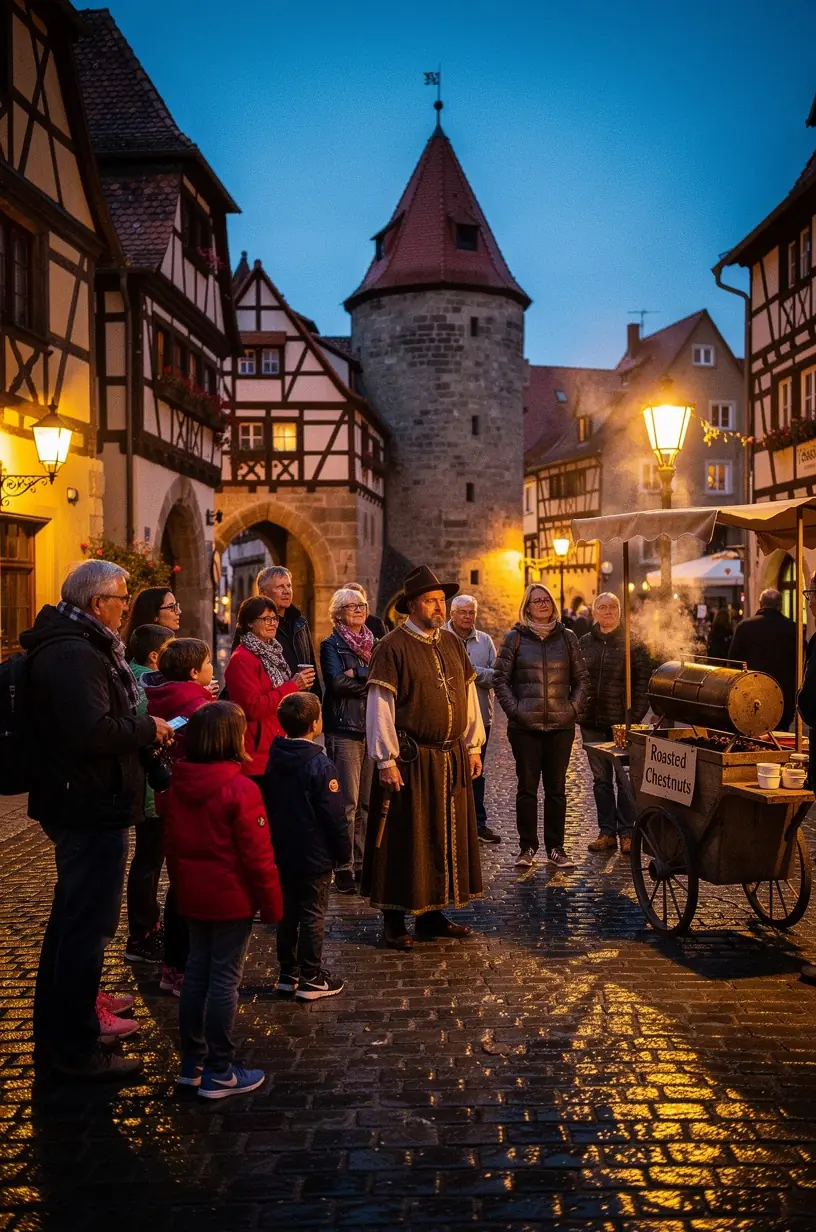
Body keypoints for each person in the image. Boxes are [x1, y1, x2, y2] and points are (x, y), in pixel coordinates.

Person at [22, 560, 174, 1081]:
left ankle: (65, 1030)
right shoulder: (73, 653)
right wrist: (146, 727)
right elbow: (91, 731)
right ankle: (74, 1048)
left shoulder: (81, 645)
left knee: (74, 924)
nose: (127, 608)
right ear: (96, 604)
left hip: (90, 802)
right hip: (87, 806)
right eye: (121, 599)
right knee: (84, 930)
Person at [361, 565, 485, 950]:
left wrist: (474, 745)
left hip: (450, 757)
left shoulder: (450, 643)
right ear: (412, 605)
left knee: (442, 836)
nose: (439, 607)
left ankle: (432, 915)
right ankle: (394, 920)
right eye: (431, 601)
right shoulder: (392, 646)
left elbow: (469, 697)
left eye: (441, 601)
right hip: (411, 761)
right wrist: (386, 760)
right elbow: (380, 704)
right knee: (405, 838)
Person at [163, 702, 282, 1098]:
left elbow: (172, 847)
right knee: (224, 981)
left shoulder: (177, 785)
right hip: (231, 898)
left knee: (197, 974)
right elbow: (259, 856)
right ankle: (220, 1068)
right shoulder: (241, 788)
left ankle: (192, 1063)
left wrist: (181, 889)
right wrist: (272, 905)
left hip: (195, 895)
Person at [493, 582, 589, 871]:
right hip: (526, 728)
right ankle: (527, 847)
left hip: (560, 726)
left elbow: (582, 679)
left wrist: (572, 709)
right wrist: (516, 711)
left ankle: (556, 848)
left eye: (546, 599)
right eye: (536, 601)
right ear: (527, 607)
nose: (542, 604)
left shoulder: (568, 637)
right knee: (527, 789)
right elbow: (500, 679)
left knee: (557, 790)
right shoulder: (515, 638)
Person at [264, 693, 350, 999]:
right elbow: (333, 815)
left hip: (283, 849)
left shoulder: (274, 757)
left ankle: (288, 972)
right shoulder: (320, 765)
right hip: (314, 853)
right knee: (313, 913)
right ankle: (311, 975)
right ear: (316, 724)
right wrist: (343, 853)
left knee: (288, 913)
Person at [144, 638, 216, 995]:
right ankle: (183, 968)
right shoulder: (196, 706)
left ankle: (173, 966)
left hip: (170, 797)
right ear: (192, 672)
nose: (212, 667)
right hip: (194, 799)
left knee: (179, 881)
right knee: (190, 885)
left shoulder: (166, 696)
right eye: (207, 663)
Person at [579, 593, 650, 856]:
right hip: (591, 721)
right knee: (601, 780)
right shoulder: (584, 643)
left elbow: (643, 682)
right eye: (602, 607)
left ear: (619, 612)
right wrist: (579, 707)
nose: (608, 611)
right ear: (594, 612)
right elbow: (578, 679)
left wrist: (636, 715)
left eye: (613, 607)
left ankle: (627, 832)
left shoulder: (633, 644)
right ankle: (606, 831)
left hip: (622, 722)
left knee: (625, 780)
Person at [320, 588, 378, 893]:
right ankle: (342, 865)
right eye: (350, 606)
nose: (357, 609)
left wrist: (359, 673)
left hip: (373, 726)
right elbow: (337, 683)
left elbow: (385, 677)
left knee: (367, 802)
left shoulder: (376, 642)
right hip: (344, 728)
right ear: (338, 612)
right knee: (347, 803)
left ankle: (362, 863)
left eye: (361, 605)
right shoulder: (331, 644)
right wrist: (366, 681)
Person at [124, 623, 175, 965]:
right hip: (148, 787)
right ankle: (142, 934)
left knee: (149, 859)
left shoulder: (136, 674)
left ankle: (147, 928)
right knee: (148, 860)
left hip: (145, 785)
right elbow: (150, 724)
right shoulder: (145, 681)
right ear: (156, 656)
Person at [224, 597, 312, 786]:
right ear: (249, 623)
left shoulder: (273, 652)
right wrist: (293, 686)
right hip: (256, 754)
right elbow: (252, 708)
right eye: (266, 619)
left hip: (277, 746)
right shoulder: (242, 659)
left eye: (275, 619)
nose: (272, 623)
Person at [446, 594, 500, 844]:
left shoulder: (485, 641)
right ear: (452, 614)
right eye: (463, 612)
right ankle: (451, 822)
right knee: (448, 772)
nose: (468, 617)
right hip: (447, 718)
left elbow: (497, 677)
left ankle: (478, 823)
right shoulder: (441, 638)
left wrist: (467, 671)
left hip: (480, 718)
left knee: (477, 770)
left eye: (471, 612)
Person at [728, 588, 798, 729]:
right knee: (781, 738)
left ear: (760, 604)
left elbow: (733, 661)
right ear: (780, 605)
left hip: (752, 694)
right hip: (782, 696)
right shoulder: (792, 628)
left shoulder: (745, 627)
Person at [257, 566, 322, 699]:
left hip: (302, 702)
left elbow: (310, 667)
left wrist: (317, 703)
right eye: (280, 587)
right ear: (263, 593)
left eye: (289, 586)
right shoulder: (255, 625)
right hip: (273, 703)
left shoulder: (300, 622)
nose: (287, 591)